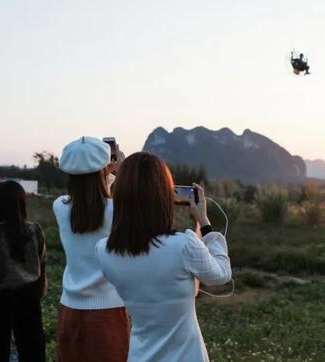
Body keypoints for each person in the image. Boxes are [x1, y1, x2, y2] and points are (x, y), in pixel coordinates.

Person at [96, 152, 232, 362]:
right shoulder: (183, 245)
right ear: (164, 195)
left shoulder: (104, 251)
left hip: (140, 355)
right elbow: (221, 275)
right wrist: (204, 223)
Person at [53, 136, 129, 362]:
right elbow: (104, 198)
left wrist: (106, 171)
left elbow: (89, 200)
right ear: (105, 169)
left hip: (69, 309)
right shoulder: (117, 210)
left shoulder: (60, 206)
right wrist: (119, 171)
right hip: (109, 310)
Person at [0, 180, 47, 362]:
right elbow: (42, 265)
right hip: (30, 297)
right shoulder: (34, 230)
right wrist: (40, 292)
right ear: (21, 203)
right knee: (33, 352)